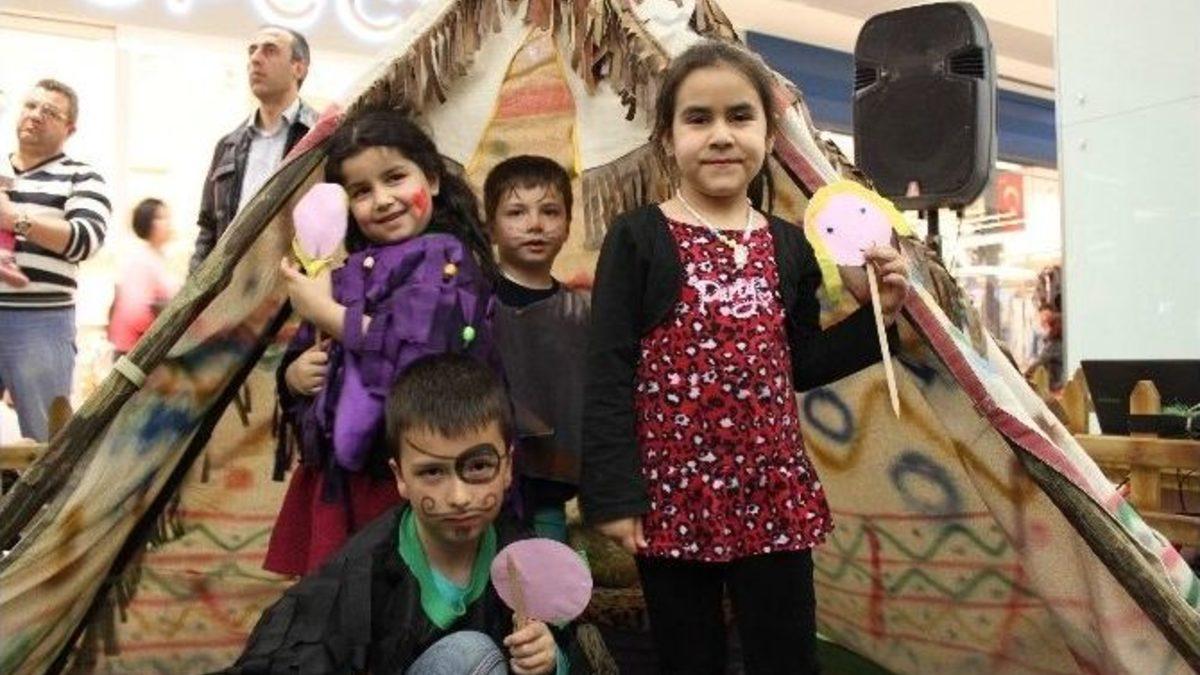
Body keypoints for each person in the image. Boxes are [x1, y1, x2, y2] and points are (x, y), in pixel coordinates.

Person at [580, 41, 910, 674]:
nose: (721, 135)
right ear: (667, 138)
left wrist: (880, 315)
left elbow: (803, 362)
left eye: (739, 116)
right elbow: (607, 373)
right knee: (689, 661)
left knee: (787, 659)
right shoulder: (638, 237)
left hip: (773, 493)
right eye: (697, 118)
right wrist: (616, 496)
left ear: (769, 134)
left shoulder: (790, 245)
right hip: (672, 498)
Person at [227, 354, 580, 674]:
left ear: (507, 468)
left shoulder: (523, 557)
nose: (459, 497)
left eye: (478, 467)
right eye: (432, 472)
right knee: (471, 654)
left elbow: (571, 646)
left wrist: (550, 660)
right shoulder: (361, 571)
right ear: (400, 477)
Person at [264, 107, 500, 576]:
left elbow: (421, 354)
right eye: (361, 191)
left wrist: (325, 312)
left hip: (415, 473)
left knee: (403, 587)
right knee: (341, 592)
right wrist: (294, 376)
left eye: (395, 178)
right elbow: (315, 349)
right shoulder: (346, 271)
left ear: (432, 180)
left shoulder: (448, 260)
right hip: (343, 477)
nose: (383, 199)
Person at [0, 79, 110, 442]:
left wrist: (15, 219)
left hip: (41, 323)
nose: (35, 115)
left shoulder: (83, 177)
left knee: (46, 439)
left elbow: (84, 240)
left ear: (70, 129)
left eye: (49, 111)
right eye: (30, 105)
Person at [485, 155, 588, 542]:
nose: (535, 225)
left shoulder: (581, 312)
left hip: (549, 492)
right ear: (490, 228)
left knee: (545, 573)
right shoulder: (473, 301)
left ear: (567, 226)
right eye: (516, 212)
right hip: (477, 484)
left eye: (550, 211)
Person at [190, 25, 317, 271]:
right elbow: (208, 228)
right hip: (231, 285)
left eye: (270, 50)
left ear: (298, 68)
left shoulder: (319, 138)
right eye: (252, 51)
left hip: (293, 283)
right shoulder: (228, 146)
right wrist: (194, 286)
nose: (255, 59)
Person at [108, 198, 179, 356]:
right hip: (135, 352)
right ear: (147, 223)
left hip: (145, 348)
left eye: (168, 217)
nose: (168, 223)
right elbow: (135, 312)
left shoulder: (157, 258)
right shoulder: (141, 261)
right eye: (161, 217)